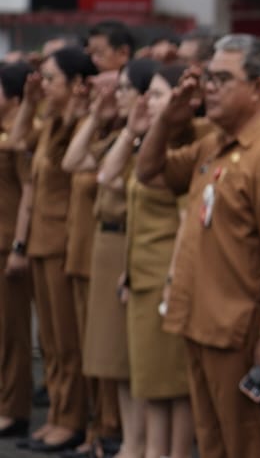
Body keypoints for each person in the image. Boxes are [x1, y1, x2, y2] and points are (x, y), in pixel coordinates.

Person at [136, 35, 260, 458]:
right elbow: (149, 172)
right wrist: (167, 121)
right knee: (212, 443)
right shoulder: (214, 143)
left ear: (257, 88)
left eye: (223, 79)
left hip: (237, 329)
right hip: (199, 320)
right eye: (208, 77)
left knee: (245, 443)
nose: (209, 87)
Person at [102, 63, 197, 458]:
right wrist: (133, 130)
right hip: (142, 275)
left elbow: (186, 222)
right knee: (150, 382)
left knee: (174, 383)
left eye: (158, 94)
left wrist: (175, 281)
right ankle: (153, 451)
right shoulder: (150, 146)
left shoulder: (185, 148)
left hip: (166, 277)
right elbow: (107, 176)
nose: (149, 101)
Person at [12, 47, 95, 452]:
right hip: (44, 242)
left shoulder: (77, 121)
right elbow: (16, 140)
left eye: (51, 79)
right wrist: (30, 103)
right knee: (50, 340)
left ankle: (73, 418)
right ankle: (60, 414)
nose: (42, 84)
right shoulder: (47, 121)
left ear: (77, 84)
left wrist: (71, 109)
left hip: (65, 241)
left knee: (67, 340)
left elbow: (68, 163)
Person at [63, 72, 136, 458]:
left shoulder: (144, 143)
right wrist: (95, 115)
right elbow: (72, 160)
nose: (117, 96)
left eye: (126, 89)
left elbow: (108, 176)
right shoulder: (113, 136)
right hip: (100, 244)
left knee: (122, 354)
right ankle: (107, 432)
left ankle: (119, 434)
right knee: (103, 351)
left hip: (126, 244)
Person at [0, 63, 34, 440]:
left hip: (7, 242)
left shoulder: (19, 138)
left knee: (12, 334)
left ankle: (14, 409)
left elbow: (29, 191)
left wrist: (19, 246)